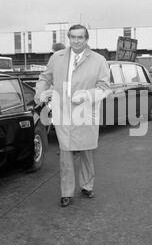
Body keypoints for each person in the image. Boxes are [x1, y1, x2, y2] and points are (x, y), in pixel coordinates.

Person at [35, 24, 111, 207]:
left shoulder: (99, 60)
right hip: (63, 112)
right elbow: (45, 78)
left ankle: (87, 185)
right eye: (73, 37)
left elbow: (105, 88)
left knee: (86, 151)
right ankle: (66, 192)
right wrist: (40, 93)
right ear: (69, 38)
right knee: (66, 153)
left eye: (80, 37)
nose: (77, 41)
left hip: (85, 112)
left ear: (86, 39)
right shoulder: (57, 57)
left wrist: (87, 95)